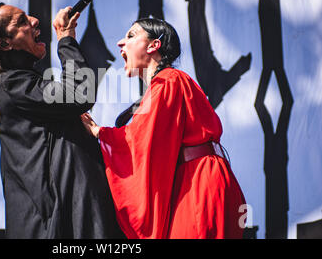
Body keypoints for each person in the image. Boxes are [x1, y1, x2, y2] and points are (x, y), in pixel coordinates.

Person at [81, 18, 246, 239]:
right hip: (198, 178)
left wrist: (99, 132)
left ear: (153, 46)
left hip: (197, 183)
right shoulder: (169, 82)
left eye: (131, 36)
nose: (121, 43)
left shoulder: (168, 81)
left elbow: (141, 137)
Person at [0, 3, 124, 238]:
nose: (33, 20)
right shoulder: (11, 84)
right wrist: (66, 38)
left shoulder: (23, 84)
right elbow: (79, 94)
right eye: (21, 21)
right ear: (3, 43)